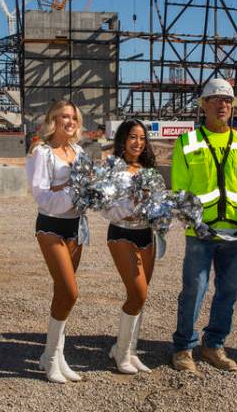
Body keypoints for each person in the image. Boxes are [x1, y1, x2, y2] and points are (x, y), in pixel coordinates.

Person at [170, 78, 237, 372]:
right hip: (200, 232)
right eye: (216, 99)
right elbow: (181, 189)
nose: (222, 104)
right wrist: (195, 223)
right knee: (194, 289)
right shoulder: (188, 142)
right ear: (204, 105)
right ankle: (184, 348)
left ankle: (214, 345)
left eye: (227, 100)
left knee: (229, 290)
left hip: (236, 234)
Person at [25, 99, 86, 383]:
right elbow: (42, 195)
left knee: (62, 293)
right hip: (51, 226)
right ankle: (50, 357)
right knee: (70, 292)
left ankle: (55, 356)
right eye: (64, 116)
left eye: (73, 117)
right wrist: (72, 191)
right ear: (53, 120)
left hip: (77, 227)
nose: (69, 121)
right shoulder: (42, 153)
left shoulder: (80, 152)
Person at [100, 119, 156, 374]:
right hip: (122, 233)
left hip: (148, 235)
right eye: (133, 137)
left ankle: (129, 350)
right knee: (138, 293)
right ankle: (121, 353)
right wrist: (131, 207)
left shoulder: (148, 168)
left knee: (140, 297)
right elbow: (104, 207)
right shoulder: (111, 168)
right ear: (123, 139)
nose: (138, 143)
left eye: (142, 138)